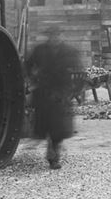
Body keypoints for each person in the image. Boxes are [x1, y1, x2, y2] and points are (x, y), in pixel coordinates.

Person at [25, 29, 81, 169]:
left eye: (57, 35)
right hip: (43, 92)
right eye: (52, 36)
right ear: (48, 37)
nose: (55, 38)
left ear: (62, 36)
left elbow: (79, 72)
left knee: (59, 126)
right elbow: (27, 65)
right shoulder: (40, 50)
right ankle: (52, 147)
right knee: (46, 124)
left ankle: (53, 154)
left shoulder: (70, 52)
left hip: (62, 92)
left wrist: (75, 90)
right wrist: (32, 79)